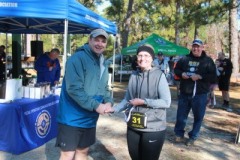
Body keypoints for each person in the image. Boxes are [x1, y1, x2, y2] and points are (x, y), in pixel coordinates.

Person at [56, 28, 113, 160]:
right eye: (96, 40)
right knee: (67, 154)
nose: (100, 44)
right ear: (89, 40)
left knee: (83, 152)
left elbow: (104, 87)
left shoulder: (102, 61)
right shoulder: (77, 59)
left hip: (89, 118)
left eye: (103, 41)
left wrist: (108, 101)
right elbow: (74, 89)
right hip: (71, 117)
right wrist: (97, 106)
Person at [108, 44, 171, 160]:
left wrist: (144, 102)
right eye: (140, 55)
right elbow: (127, 99)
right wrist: (114, 109)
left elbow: (166, 102)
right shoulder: (134, 75)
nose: (143, 58)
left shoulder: (159, 76)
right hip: (133, 125)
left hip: (153, 128)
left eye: (146, 55)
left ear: (152, 58)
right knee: (135, 157)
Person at [174, 39, 217, 146]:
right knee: (181, 116)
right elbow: (176, 69)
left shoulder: (208, 61)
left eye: (198, 47)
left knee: (198, 117)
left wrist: (200, 76)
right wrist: (181, 74)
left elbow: (213, 77)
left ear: (202, 48)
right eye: (194, 46)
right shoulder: (185, 59)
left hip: (200, 94)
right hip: (185, 93)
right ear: (191, 47)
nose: (195, 49)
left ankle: (193, 136)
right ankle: (178, 134)